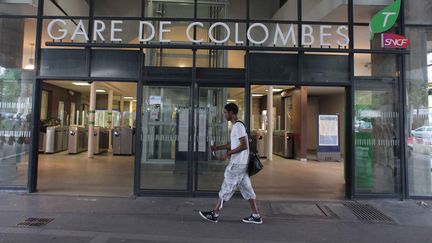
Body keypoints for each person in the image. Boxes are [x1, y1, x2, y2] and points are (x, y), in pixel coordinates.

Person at [199, 103, 262, 224]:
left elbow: (244, 145)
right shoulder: (237, 126)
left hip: (237, 164)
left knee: (226, 188)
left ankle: (215, 213)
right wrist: (218, 148)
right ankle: (256, 216)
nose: (224, 115)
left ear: (231, 113)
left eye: (225, 112)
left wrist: (228, 154)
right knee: (248, 190)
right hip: (242, 165)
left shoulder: (238, 126)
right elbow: (234, 144)